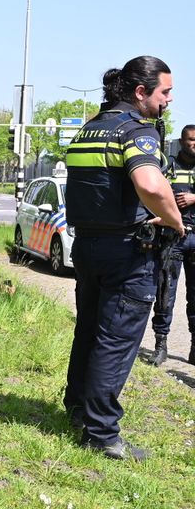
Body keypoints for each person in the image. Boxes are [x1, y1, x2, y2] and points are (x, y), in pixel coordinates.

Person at [63, 56, 185, 462]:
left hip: (88, 247)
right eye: (165, 92)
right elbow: (151, 185)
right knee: (114, 342)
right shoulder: (136, 131)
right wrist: (176, 221)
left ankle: (78, 410)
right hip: (127, 253)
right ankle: (102, 433)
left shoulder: (88, 130)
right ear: (140, 92)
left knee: (90, 331)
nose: (169, 100)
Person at [150, 125, 195, 366]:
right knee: (165, 293)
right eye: (191, 140)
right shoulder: (170, 167)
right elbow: (154, 194)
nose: (194, 144)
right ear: (182, 141)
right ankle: (161, 345)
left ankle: (194, 348)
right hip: (172, 238)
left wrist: (193, 198)